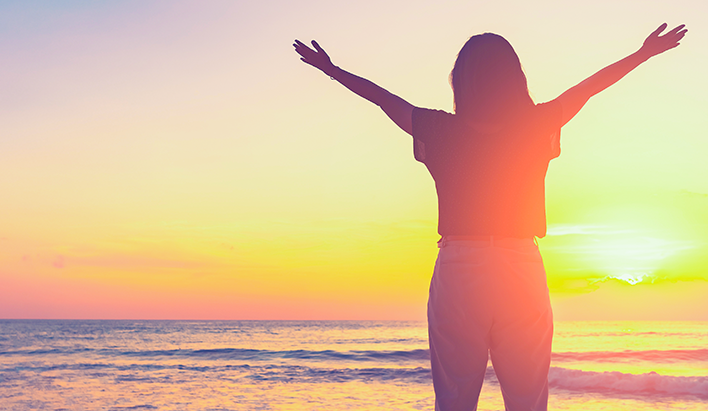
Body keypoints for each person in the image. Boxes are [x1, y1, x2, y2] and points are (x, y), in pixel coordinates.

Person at [293, 23, 687, 411]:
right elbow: (590, 87)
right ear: (515, 78)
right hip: (521, 267)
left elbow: (383, 99)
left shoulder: (438, 128)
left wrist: (332, 70)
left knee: (455, 400)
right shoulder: (537, 124)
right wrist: (642, 54)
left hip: (460, 269)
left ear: (460, 82)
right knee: (527, 400)